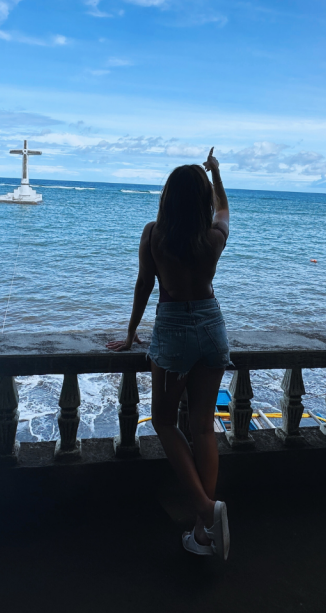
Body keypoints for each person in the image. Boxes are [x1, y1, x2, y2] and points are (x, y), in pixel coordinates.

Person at [107, 147, 232, 560]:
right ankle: (202, 533)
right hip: (212, 324)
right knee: (202, 426)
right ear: (201, 201)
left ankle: (204, 509)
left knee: (163, 419)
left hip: (174, 327)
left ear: (166, 198)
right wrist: (216, 173)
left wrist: (130, 334)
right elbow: (224, 209)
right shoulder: (212, 239)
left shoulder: (153, 234)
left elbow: (144, 285)